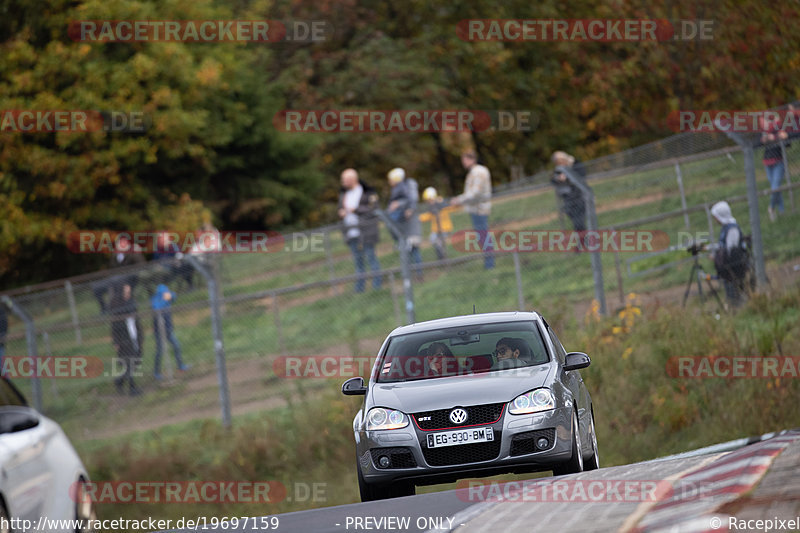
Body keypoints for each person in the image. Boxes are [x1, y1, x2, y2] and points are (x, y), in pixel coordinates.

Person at [338, 168, 382, 293]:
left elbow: (375, 210)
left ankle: (377, 287)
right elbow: (341, 208)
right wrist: (341, 212)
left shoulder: (368, 192)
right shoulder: (344, 194)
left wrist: (356, 210)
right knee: (358, 262)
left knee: (371, 258)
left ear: (353, 179)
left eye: (345, 179)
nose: (343, 182)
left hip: (366, 231)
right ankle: (360, 288)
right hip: (351, 233)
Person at [451, 150, 494, 269]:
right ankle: (489, 262)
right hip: (475, 208)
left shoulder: (478, 172)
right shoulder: (474, 172)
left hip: (479, 209)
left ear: (471, 159)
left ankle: (490, 263)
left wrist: (459, 200)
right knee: (482, 236)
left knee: (483, 236)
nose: (463, 163)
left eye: (464, 160)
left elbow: (474, 193)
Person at [93, 233, 145, 314]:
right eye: (120, 242)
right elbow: (111, 269)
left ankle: (127, 312)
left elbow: (141, 266)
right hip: (115, 281)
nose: (123, 244)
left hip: (130, 280)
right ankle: (104, 308)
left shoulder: (133, 253)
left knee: (123, 292)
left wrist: (134, 251)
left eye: (125, 242)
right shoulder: (115, 255)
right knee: (96, 287)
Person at [710, 201, 748, 307]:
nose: (715, 219)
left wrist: (720, 257)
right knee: (729, 291)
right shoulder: (725, 228)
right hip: (727, 267)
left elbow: (731, 249)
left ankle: (738, 309)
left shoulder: (732, 229)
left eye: (716, 216)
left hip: (734, 266)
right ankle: (734, 308)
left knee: (735, 291)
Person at [386, 168, 423, 277]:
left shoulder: (407, 186)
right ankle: (409, 274)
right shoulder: (398, 190)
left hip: (410, 225)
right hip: (403, 225)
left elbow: (411, 200)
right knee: (407, 250)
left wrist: (400, 205)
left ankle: (418, 273)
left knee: (414, 248)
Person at [109, 282, 143, 395]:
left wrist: (140, 337)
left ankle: (119, 381)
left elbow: (135, 315)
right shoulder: (116, 306)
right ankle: (132, 388)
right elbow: (114, 327)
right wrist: (116, 342)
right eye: (126, 292)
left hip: (134, 336)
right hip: (124, 338)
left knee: (136, 361)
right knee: (130, 362)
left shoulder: (131, 303)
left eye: (129, 292)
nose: (128, 294)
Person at [150, 282, 189, 380]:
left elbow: (174, 296)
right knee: (159, 351)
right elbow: (156, 307)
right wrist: (164, 300)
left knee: (176, 346)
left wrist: (169, 296)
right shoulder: (155, 300)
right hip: (159, 331)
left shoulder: (168, 299)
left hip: (168, 329)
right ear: (160, 293)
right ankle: (156, 372)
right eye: (165, 292)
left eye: (167, 291)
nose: (167, 293)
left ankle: (180, 366)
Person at [760, 116, 790, 221]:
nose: (761, 123)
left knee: (775, 187)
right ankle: (782, 212)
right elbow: (760, 142)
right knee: (776, 188)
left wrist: (777, 137)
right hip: (767, 163)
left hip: (778, 161)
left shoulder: (779, 128)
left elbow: (787, 143)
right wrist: (767, 138)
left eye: (763, 120)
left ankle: (771, 208)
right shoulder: (764, 131)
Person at [551, 151, 588, 232]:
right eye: (557, 162)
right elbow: (553, 180)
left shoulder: (574, 166)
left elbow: (581, 175)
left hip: (579, 198)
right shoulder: (559, 170)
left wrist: (568, 176)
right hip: (568, 200)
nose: (559, 163)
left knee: (580, 223)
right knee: (576, 223)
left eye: (560, 161)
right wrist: (558, 178)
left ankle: (586, 241)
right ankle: (582, 242)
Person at [419, 187, 455, 260]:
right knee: (433, 239)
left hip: (445, 228)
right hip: (436, 230)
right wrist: (418, 218)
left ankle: (443, 257)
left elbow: (451, 207)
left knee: (437, 241)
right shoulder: (432, 206)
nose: (428, 202)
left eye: (429, 200)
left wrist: (441, 204)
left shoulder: (441, 203)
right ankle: (441, 257)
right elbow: (428, 216)